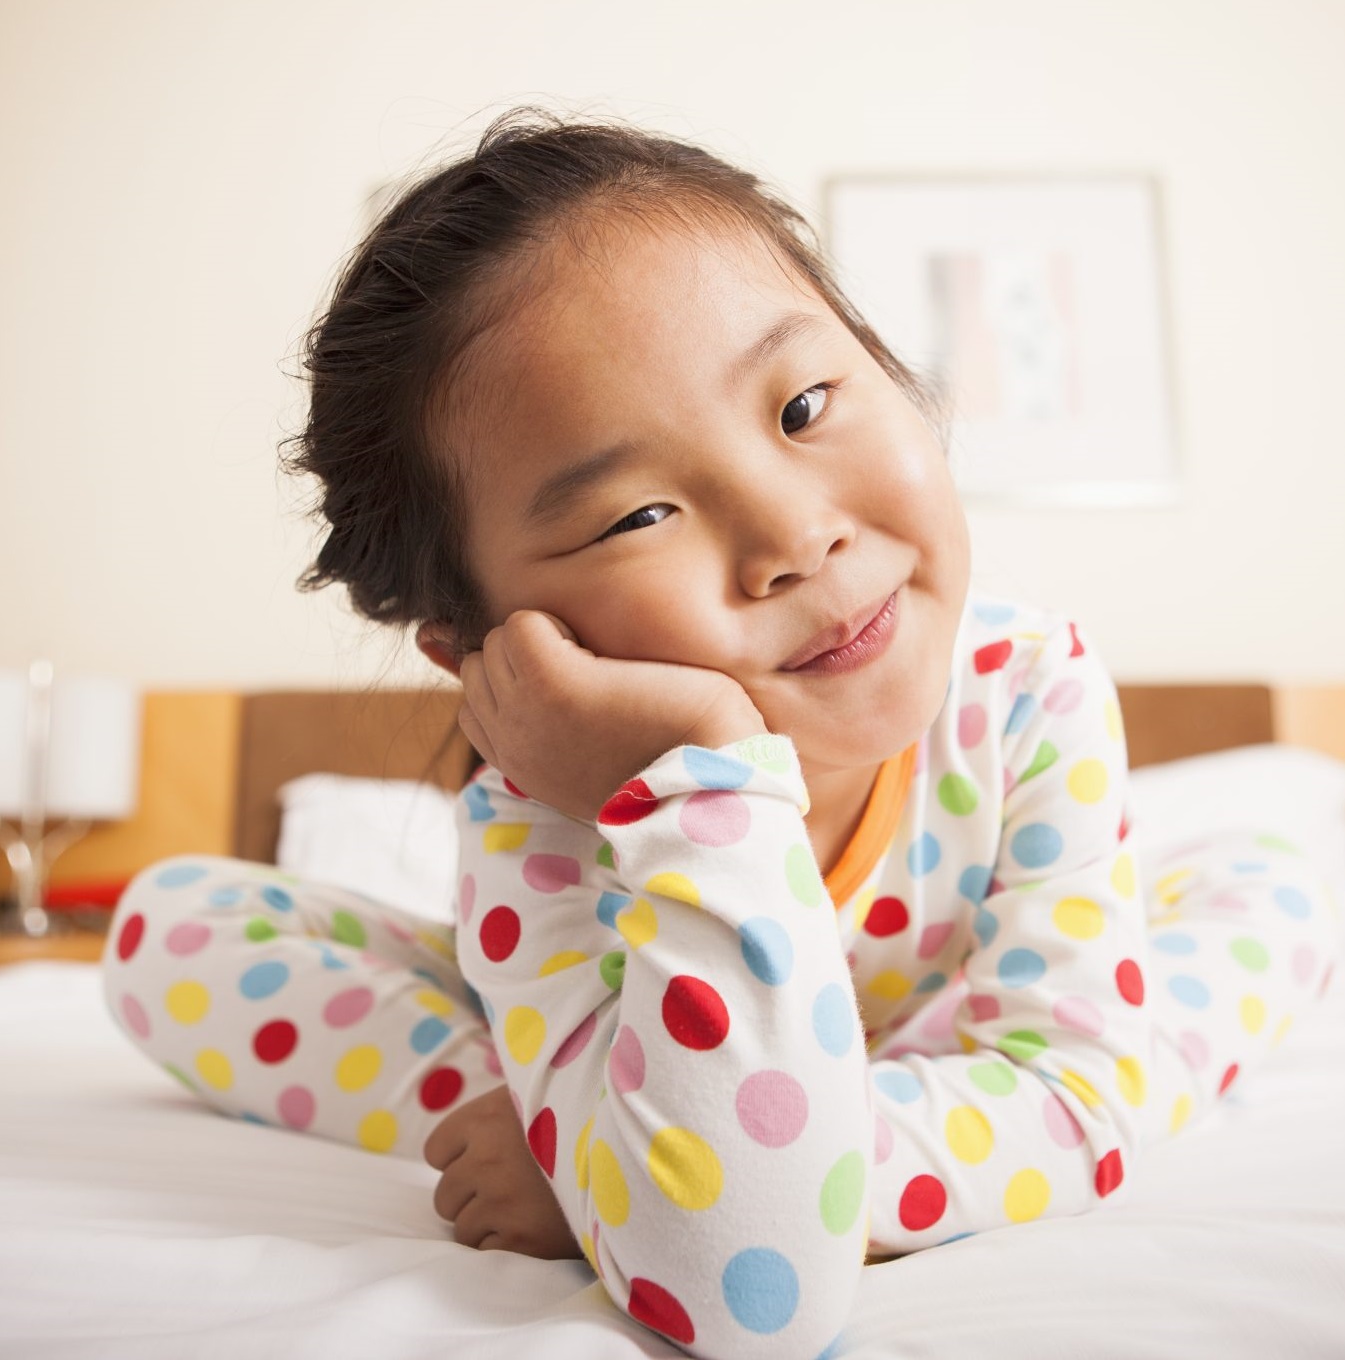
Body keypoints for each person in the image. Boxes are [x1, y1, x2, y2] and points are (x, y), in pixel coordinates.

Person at [101, 110, 1337, 1360]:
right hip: (696, 1029)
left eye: (803, 404)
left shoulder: (1023, 688)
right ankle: (612, 1118)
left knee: (1275, 887)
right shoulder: (542, 815)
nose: (793, 535)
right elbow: (753, 1300)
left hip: (947, 1025)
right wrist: (705, 779)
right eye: (637, 515)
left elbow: (1065, 1093)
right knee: (168, 929)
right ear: (490, 655)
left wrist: (610, 1172)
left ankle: (611, 1134)